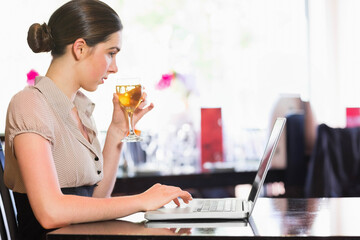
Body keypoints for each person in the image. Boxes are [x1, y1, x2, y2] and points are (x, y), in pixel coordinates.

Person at [4, 0, 192, 239]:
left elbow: (95, 202)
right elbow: (50, 212)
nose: (114, 68)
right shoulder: (29, 104)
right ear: (80, 48)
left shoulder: (80, 108)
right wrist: (141, 201)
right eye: (111, 53)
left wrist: (116, 132)